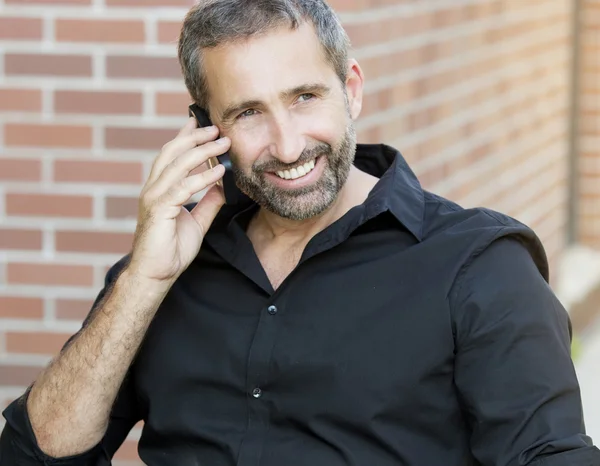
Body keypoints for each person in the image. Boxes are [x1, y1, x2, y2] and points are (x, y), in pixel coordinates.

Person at [1, 0, 599, 464]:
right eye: (247, 112)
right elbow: (37, 453)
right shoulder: (164, 272)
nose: (287, 146)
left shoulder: (480, 268)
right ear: (206, 129)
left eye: (305, 97)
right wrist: (144, 279)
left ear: (352, 90)